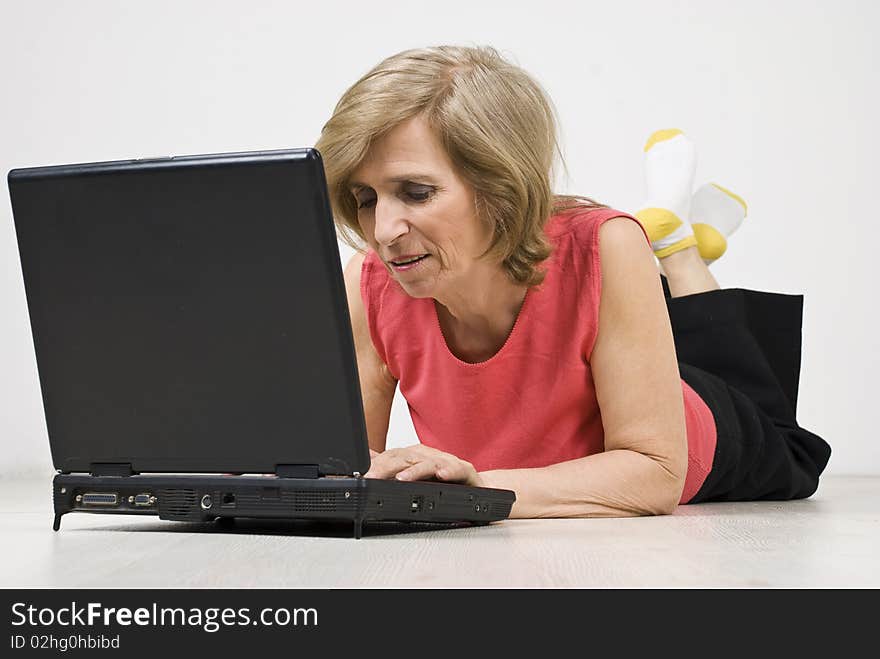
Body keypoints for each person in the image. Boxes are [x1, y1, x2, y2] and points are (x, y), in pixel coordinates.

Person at [314, 45, 831, 518]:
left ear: (501, 185)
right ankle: (676, 239)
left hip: (702, 429)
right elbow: (341, 465)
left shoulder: (607, 243)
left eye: (417, 192)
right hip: (601, 379)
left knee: (767, 413)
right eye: (366, 199)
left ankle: (680, 252)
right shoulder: (370, 281)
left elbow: (655, 473)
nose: (383, 231)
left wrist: (474, 493)